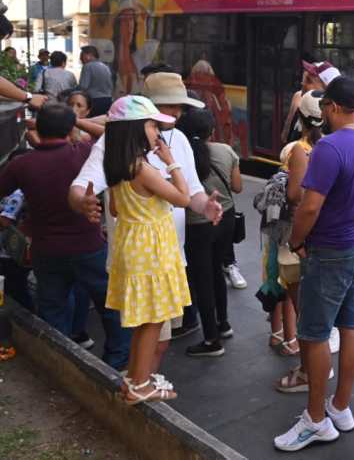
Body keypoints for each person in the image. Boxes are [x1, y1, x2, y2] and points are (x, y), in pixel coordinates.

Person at [68, 72, 222, 348]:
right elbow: (81, 186)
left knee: (158, 337)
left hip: (170, 258)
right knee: (144, 336)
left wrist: (206, 207)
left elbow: (193, 192)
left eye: (179, 106)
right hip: (140, 264)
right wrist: (82, 202)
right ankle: (138, 384)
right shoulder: (113, 144)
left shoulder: (181, 140)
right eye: (168, 106)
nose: (176, 113)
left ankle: (143, 382)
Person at [274, 77, 354, 452]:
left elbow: (310, 205)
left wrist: (297, 240)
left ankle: (315, 420)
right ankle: (341, 407)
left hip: (331, 250)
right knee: (351, 326)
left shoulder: (330, 147)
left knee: (314, 333)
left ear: (333, 107)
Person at [0, 103, 131, 368]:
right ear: (71, 128)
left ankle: (62, 362)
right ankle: (117, 361)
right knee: (110, 306)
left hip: (46, 249)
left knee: (53, 308)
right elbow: (111, 134)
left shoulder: (22, 165)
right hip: (89, 246)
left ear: (38, 126)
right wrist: (80, 124)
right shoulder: (84, 153)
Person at [102, 96, 193, 404]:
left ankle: (134, 379)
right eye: (152, 125)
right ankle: (140, 386)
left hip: (131, 244)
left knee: (145, 319)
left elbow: (115, 208)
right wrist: (171, 162)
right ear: (135, 130)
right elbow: (183, 198)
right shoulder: (142, 168)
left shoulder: (116, 165)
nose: (157, 131)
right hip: (151, 249)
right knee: (153, 320)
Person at [177, 109, 242, 358]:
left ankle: (211, 340)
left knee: (201, 280)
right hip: (225, 219)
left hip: (197, 224)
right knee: (217, 271)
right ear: (211, 131)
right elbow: (237, 186)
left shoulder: (179, 157)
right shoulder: (225, 151)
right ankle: (223, 324)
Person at [267, 90, 323, 359]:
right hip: (328, 232)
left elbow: (294, 195)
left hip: (296, 230)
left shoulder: (296, 150)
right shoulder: (334, 146)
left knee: (296, 294)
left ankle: (302, 354)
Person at [79, 45, 114, 116]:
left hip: (94, 101)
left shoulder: (87, 66)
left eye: (82, 55)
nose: (80, 58)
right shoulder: (105, 67)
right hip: (108, 100)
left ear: (88, 55)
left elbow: (83, 87)